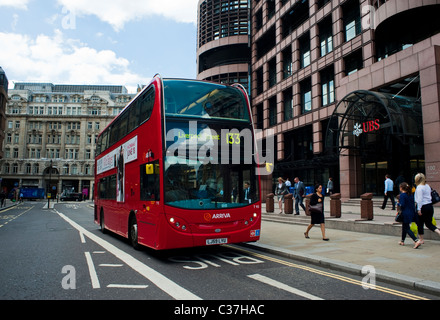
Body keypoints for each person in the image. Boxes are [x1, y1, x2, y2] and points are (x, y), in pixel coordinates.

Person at [414, 173, 440, 243]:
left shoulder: (419, 187)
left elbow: (419, 200)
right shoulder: (427, 186)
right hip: (429, 206)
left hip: (423, 207)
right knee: (429, 224)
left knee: (420, 223)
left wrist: (418, 209)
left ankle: (421, 239)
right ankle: (439, 232)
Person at [397, 182, 421, 249]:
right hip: (411, 212)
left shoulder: (402, 195)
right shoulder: (410, 195)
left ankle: (416, 240)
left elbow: (402, 205)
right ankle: (402, 241)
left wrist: (398, 203)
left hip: (405, 213)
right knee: (404, 227)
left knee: (407, 228)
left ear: (401, 188)